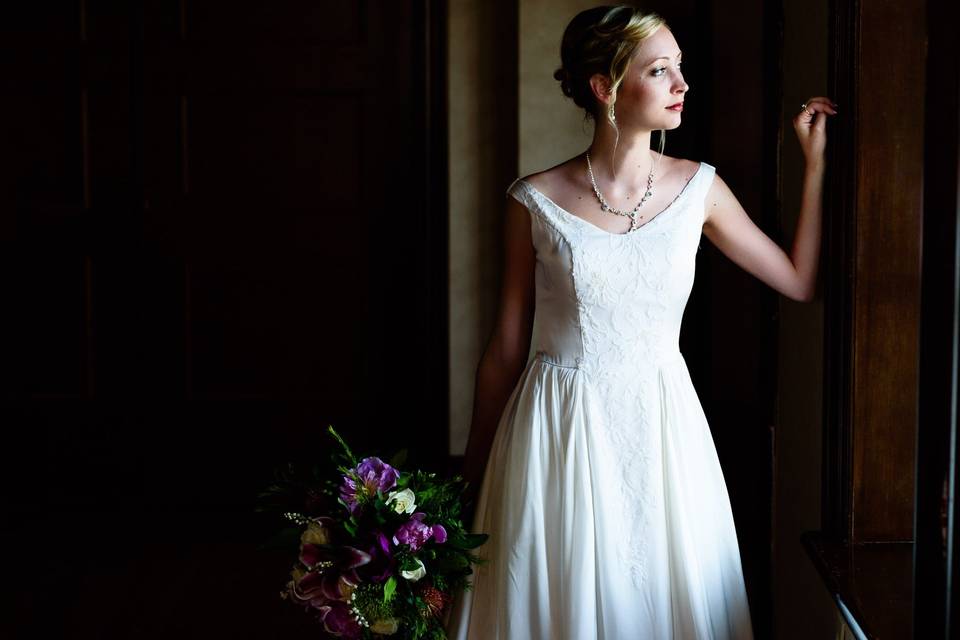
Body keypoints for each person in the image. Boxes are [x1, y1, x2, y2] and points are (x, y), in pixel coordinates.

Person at [446, 5, 834, 639]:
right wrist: (470, 481)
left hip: (662, 428)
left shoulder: (700, 189)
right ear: (606, 89)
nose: (682, 84)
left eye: (679, 68)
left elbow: (798, 279)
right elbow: (506, 346)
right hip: (556, 432)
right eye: (661, 70)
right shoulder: (535, 199)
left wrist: (814, 166)